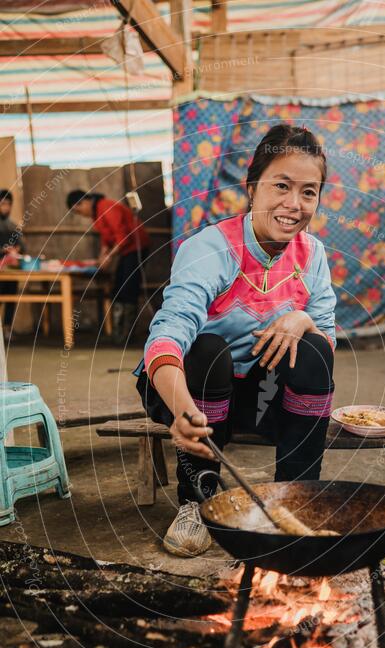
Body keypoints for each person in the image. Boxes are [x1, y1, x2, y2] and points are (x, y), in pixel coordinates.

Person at [135, 124, 336, 557]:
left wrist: (302, 319)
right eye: (281, 186)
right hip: (187, 393)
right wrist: (183, 409)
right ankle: (198, 501)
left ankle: (296, 501)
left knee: (315, 350)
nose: (293, 204)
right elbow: (168, 334)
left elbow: (328, 335)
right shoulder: (211, 248)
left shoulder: (312, 253)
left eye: (308, 192)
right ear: (251, 188)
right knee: (207, 350)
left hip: (258, 398)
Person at [66, 190, 150, 344]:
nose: (80, 214)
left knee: (128, 288)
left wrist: (109, 257)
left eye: (78, 210)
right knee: (117, 289)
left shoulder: (106, 206)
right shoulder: (96, 214)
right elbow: (107, 239)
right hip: (125, 251)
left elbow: (123, 236)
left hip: (136, 247)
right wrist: (102, 255)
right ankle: (119, 334)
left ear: (84, 202)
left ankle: (127, 336)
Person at [0, 189, 25, 340]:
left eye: (8, 204)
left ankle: (7, 328)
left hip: (11, 269)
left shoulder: (12, 226)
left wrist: (16, 249)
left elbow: (21, 246)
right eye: (2, 204)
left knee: (10, 297)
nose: (6, 208)